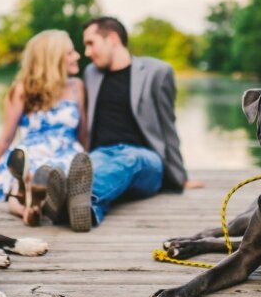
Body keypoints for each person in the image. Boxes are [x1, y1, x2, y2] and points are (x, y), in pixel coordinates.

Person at [48, 16, 202, 231]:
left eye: (91, 43)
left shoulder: (157, 72)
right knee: (91, 163)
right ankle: (88, 209)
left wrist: (180, 177)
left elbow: (168, 127)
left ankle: (73, 198)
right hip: (101, 154)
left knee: (128, 158)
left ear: (112, 38)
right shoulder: (91, 73)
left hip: (146, 161)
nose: (87, 52)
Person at [0, 29, 91, 227]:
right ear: (52, 59)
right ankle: (28, 210)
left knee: (62, 173)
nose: (77, 56)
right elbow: (6, 138)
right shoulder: (22, 90)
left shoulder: (77, 86)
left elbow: (83, 133)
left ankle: (48, 202)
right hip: (30, 154)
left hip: (67, 151)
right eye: (69, 53)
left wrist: (89, 161)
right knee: (28, 175)